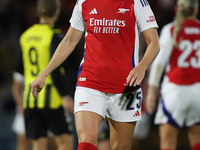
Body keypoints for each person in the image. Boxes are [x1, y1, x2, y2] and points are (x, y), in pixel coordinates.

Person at [30, 0, 160, 149]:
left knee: (121, 146)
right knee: (86, 143)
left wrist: (142, 66)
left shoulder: (136, 2)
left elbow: (154, 43)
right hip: (90, 83)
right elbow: (68, 41)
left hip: (126, 87)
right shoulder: (84, 2)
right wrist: (43, 74)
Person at [13, 0, 74, 150]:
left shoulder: (25, 36)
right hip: (52, 99)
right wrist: (65, 96)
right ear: (56, 13)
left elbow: (19, 71)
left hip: (30, 100)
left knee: (38, 145)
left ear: (38, 12)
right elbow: (54, 72)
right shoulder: (55, 37)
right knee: (65, 143)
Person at [146, 0, 200, 150]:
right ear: (195, 11)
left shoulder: (171, 29)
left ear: (176, 9)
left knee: (168, 143)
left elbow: (159, 63)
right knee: (197, 140)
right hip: (198, 91)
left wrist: (152, 90)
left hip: (175, 91)